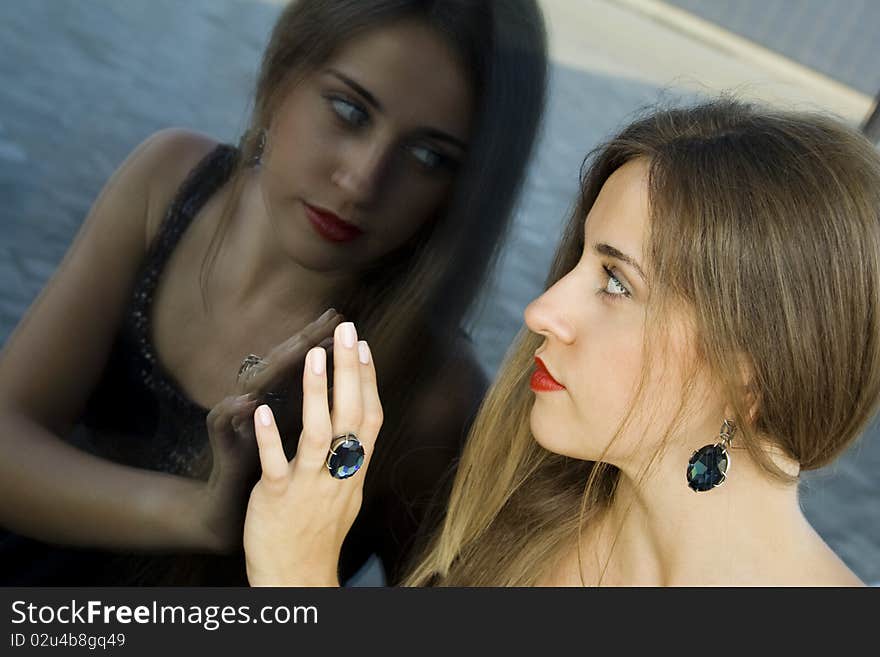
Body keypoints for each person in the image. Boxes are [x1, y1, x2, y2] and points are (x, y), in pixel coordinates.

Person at [0, 0, 548, 585]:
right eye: (348, 110)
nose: (362, 180)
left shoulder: (428, 393)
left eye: (428, 157)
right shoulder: (169, 183)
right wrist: (196, 514)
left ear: (466, 190)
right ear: (282, 74)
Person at [242, 98, 880, 586]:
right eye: (581, 262)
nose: (542, 309)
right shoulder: (527, 513)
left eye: (616, 283)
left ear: (755, 369)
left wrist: (300, 576)